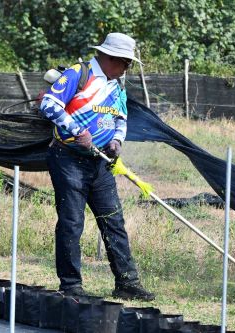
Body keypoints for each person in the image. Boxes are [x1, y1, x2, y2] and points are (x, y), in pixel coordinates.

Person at [40, 32, 155, 301]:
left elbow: (121, 119)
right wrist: (77, 130)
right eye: (125, 62)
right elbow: (49, 104)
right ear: (109, 57)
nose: (127, 68)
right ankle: (70, 285)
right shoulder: (78, 74)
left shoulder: (118, 85)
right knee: (72, 222)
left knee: (113, 221)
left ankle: (127, 282)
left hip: (102, 162)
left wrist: (116, 141)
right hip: (69, 159)